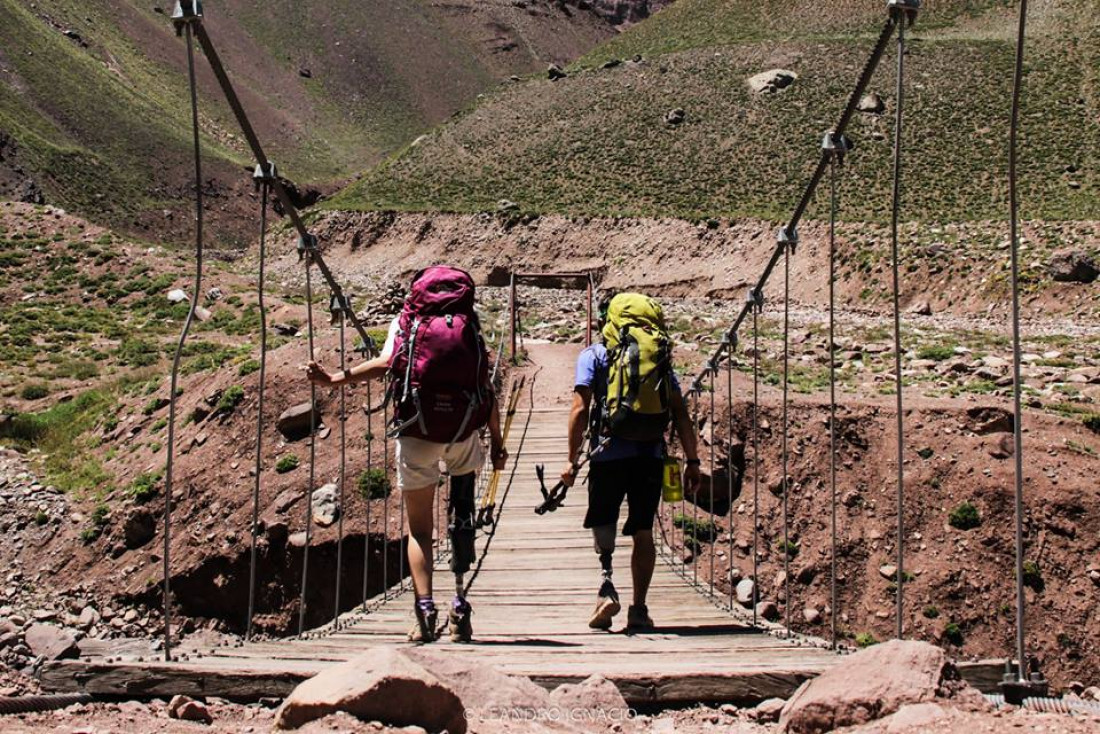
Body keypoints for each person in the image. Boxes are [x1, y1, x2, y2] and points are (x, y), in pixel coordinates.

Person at [308, 266, 507, 643]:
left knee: (420, 530)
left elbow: (386, 365)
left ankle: (425, 612)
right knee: (462, 517)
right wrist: (496, 441)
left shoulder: (408, 321)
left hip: (418, 430)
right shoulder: (469, 325)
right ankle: (460, 607)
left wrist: (334, 379)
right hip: (463, 431)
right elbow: (485, 386)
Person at [560, 293, 700, 631]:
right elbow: (680, 413)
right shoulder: (659, 355)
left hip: (607, 455)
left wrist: (571, 460)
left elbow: (580, 409)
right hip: (649, 455)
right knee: (643, 531)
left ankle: (607, 584)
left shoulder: (594, 354)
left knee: (604, 520)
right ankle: (639, 609)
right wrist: (693, 460)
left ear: (605, 321)